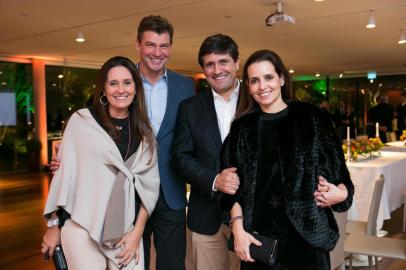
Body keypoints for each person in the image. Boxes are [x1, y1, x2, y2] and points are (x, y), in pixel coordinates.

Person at [50, 15, 195, 270]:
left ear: (171, 47)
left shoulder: (186, 86)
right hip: (119, 199)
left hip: (169, 190)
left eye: (163, 46)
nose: (157, 52)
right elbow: (89, 141)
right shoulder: (119, 80)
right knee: (128, 259)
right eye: (150, 44)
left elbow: (189, 137)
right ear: (138, 44)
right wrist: (66, 162)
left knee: (172, 264)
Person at [219, 49, 354, 270]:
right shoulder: (242, 128)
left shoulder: (312, 118)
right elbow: (231, 190)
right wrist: (238, 229)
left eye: (268, 77)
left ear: (281, 78)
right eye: (254, 81)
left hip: (307, 239)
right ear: (248, 87)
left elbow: (341, 178)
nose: (262, 86)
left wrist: (340, 193)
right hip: (258, 241)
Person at [41, 56, 160, 270]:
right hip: (82, 225)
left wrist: (136, 234)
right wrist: (53, 225)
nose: (120, 90)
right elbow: (63, 178)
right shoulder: (81, 122)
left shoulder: (145, 133)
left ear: (136, 88)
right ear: (103, 90)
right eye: (113, 83)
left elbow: (149, 190)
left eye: (127, 82)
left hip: (125, 231)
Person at [172, 34, 242, 270]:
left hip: (251, 219)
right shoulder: (189, 107)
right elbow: (180, 158)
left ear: (237, 63)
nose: (217, 69)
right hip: (205, 217)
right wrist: (214, 180)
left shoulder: (256, 100)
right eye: (209, 64)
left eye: (223, 61)